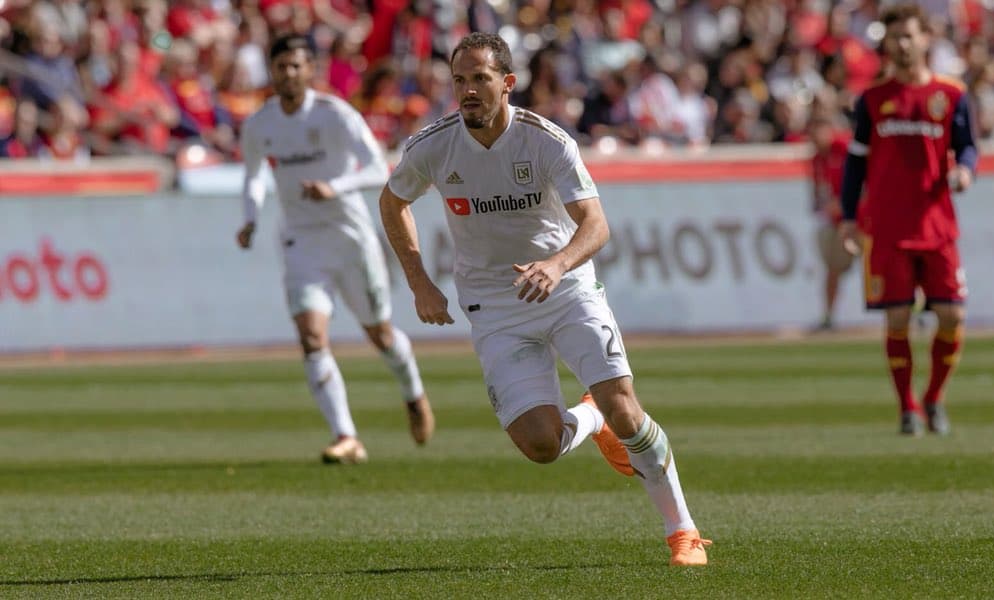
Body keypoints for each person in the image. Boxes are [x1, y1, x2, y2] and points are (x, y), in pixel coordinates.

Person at [379, 32, 710, 566]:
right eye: (459, 80)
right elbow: (392, 202)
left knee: (624, 405)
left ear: (507, 84)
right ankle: (591, 421)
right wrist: (419, 280)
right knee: (540, 445)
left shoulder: (547, 141)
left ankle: (684, 532)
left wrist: (556, 265)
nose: (467, 91)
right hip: (494, 305)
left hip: (566, 288)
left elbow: (596, 224)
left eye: (480, 79)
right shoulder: (433, 147)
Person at [237, 34, 435, 464]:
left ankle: (413, 394)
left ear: (310, 71)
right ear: (272, 71)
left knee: (380, 334)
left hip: (349, 238)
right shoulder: (259, 124)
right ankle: (346, 436)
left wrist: (335, 187)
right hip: (300, 242)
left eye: (297, 66)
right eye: (281, 66)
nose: (289, 73)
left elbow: (378, 167)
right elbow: (253, 176)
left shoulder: (335, 115)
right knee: (311, 337)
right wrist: (250, 217)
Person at [840, 3, 977, 436]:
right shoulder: (872, 100)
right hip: (888, 228)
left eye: (908, 36)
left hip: (937, 226)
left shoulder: (951, 95)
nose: (901, 44)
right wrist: (848, 217)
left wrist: (966, 170)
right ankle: (908, 407)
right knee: (897, 318)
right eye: (894, 37)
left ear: (924, 40)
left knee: (952, 315)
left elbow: (968, 146)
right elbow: (856, 164)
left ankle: (935, 397)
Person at [808, 114, 855, 331]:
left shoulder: (845, 148)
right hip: (837, 223)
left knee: (887, 264)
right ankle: (828, 316)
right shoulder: (817, 158)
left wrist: (846, 203)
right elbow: (818, 190)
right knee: (833, 269)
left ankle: (913, 311)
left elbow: (866, 179)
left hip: (863, 219)